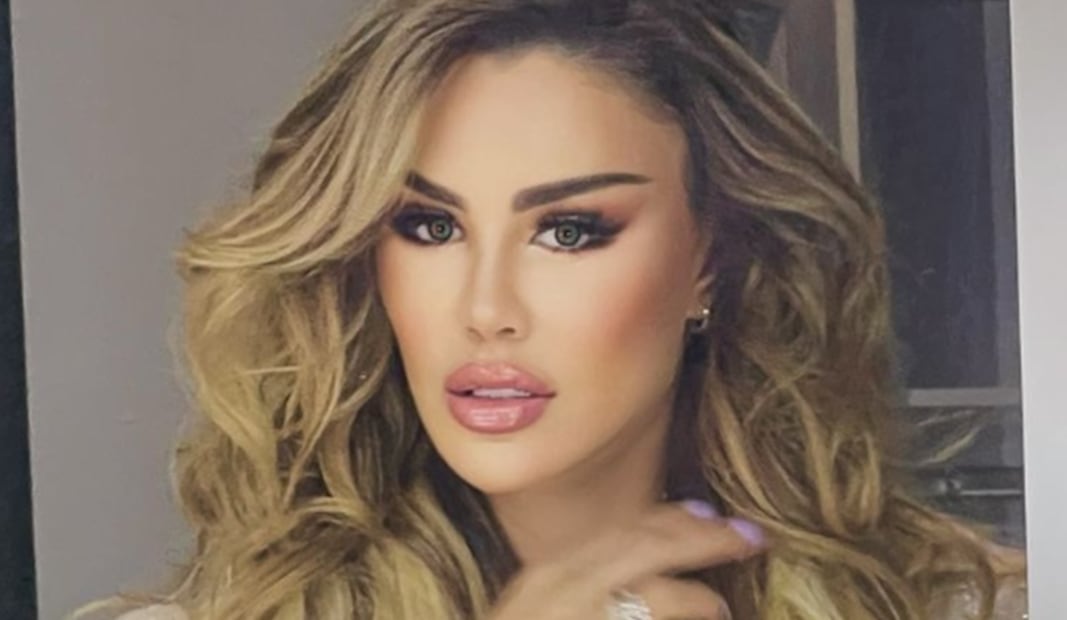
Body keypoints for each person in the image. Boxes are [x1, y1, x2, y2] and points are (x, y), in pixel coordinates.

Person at [75, 0, 1027, 618]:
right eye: (428, 226)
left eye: (568, 230)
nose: (485, 308)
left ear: (709, 261)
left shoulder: (967, 606)